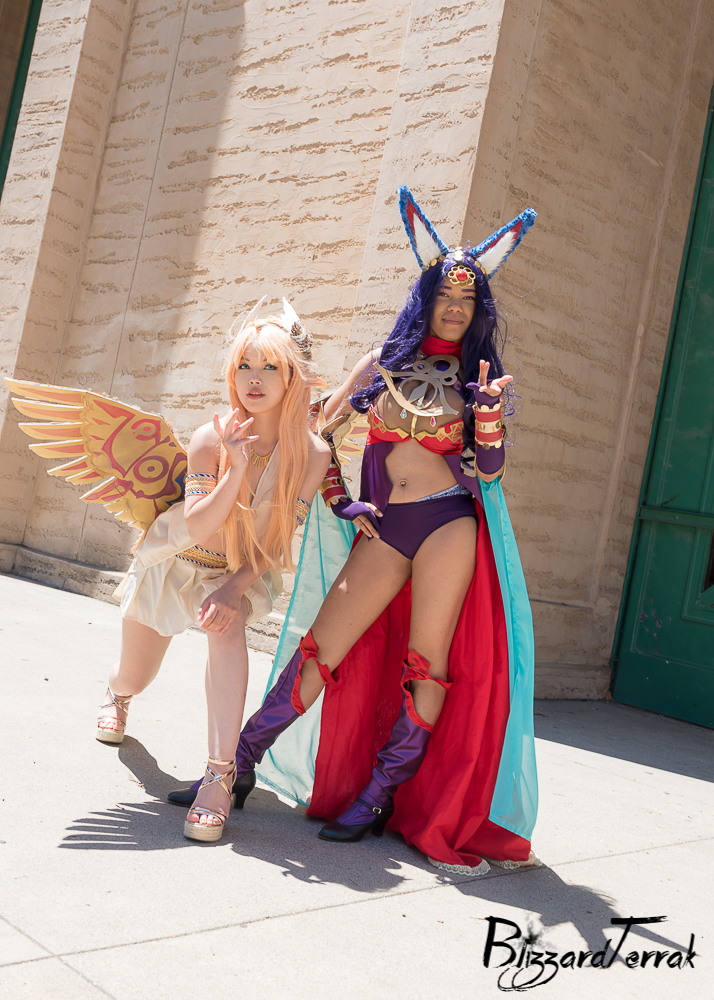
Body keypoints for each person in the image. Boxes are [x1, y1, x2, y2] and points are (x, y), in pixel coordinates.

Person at [171, 188, 539, 874]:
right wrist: (343, 502)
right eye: (444, 295)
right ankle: (236, 766)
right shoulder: (382, 362)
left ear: (477, 309)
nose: (454, 308)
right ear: (426, 297)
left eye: (467, 300)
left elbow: (489, 471)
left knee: (427, 663)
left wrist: (487, 413)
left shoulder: (479, 376)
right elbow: (319, 437)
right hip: (388, 526)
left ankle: (376, 798)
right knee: (321, 648)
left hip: (449, 526)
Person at [95, 300, 330, 842]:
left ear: (292, 376)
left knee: (228, 626)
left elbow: (280, 537)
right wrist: (236, 466)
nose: (254, 378)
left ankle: (220, 777)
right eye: (244, 365)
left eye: (269, 366)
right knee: (135, 674)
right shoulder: (211, 437)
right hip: (176, 561)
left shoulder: (312, 453)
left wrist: (235, 587)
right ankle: (117, 695)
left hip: (235, 571)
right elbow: (198, 526)